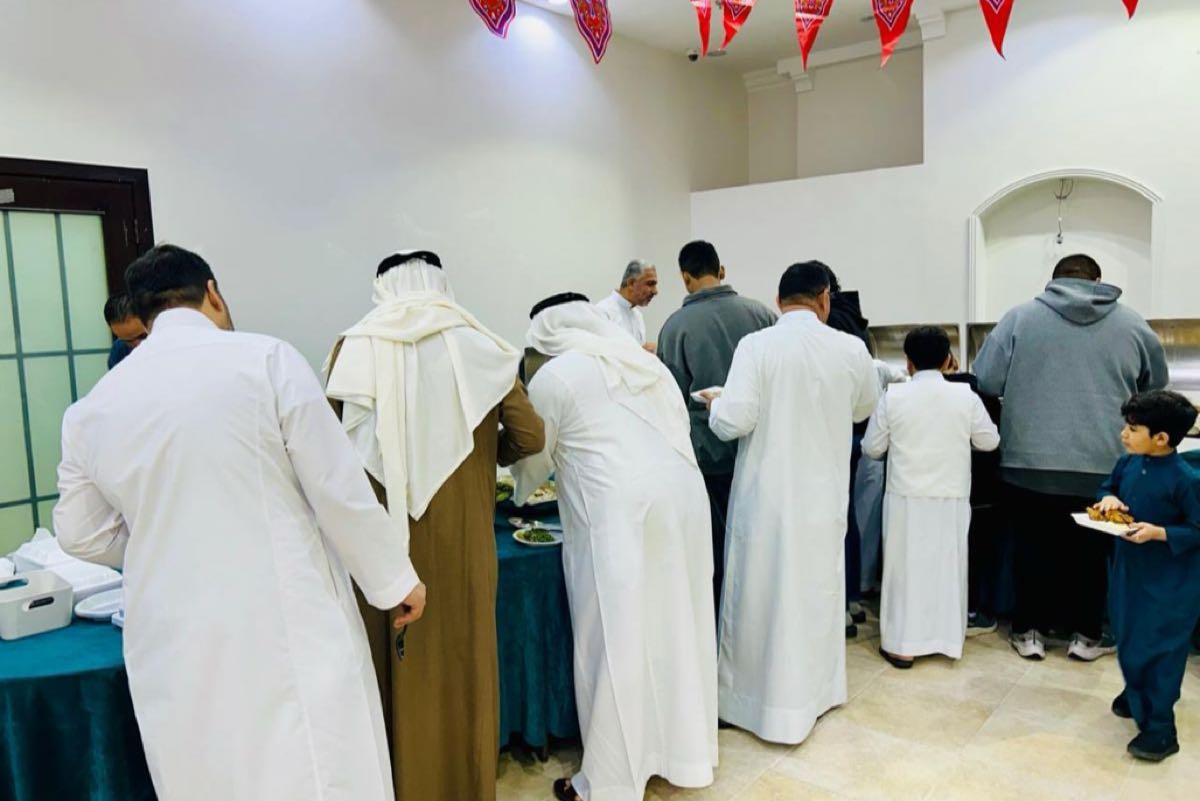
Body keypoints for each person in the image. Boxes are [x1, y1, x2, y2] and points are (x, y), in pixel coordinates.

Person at [54, 244, 426, 801]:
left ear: (144, 314)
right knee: (312, 771)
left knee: (206, 772)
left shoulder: (91, 410)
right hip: (283, 617)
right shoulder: (267, 359)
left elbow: (79, 533)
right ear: (213, 293)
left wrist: (162, 533)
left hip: (171, 634)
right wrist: (394, 582)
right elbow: (337, 488)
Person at [324, 250, 544, 801]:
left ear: (382, 288)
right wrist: (483, 457)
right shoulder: (483, 346)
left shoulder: (353, 348)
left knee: (392, 669)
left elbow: (326, 455)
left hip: (380, 549)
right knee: (466, 665)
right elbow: (531, 437)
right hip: (465, 542)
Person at [512, 293, 717, 801]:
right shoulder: (647, 365)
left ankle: (608, 781)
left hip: (618, 511)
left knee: (614, 636)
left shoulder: (556, 377)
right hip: (684, 502)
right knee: (677, 624)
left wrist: (517, 491)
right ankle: (684, 755)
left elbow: (533, 460)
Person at [703, 262, 878, 745]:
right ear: (824, 298)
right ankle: (815, 695)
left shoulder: (756, 346)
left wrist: (716, 403)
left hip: (768, 501)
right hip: (822, 499)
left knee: (761, 598)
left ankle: (753, 703)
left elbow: (734, 420)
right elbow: (864, 407)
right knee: (816, 597)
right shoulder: (850, 348)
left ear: (779, 301)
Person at [974, 254, 1169, 662]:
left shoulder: (1019, 318)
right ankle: (1087, 637)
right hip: (1103, 466)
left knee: (1031, 551)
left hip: (1028, 464)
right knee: (1092, 557)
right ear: (1098, 281)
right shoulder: (1133, 324)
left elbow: (987, 380)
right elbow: (1156, 389)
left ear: (1054, 281)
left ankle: (1028, 633)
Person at [863, 327, 1000, 668]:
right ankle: (944, 639)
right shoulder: (965, 396)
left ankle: (902, 646)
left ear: (908, 361)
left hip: (906, 496)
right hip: (951, 495)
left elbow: (872, 447)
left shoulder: (894, 396)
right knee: (946, 568)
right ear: (947, 360)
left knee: (904, 572)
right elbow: (989, 441)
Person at [656, 240, 775, 622]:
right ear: (721, 270)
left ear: (685, 277)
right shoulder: (762, 315)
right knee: (761, 545)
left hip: (707, 455)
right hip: (760, 450)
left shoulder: (675, 327)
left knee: (717, 547)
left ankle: (722, 624)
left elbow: (672, 399)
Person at [1098, 391, 1200, 762]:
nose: (1123, 434)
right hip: (1129, 572)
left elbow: (1197, 529)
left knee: (1161, 648)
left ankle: (1160, 727)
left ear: (1161, 438)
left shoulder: (1186, 479)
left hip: (1170, 582)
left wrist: (1160, 533)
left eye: (1133, 429)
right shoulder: (1128, 464)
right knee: (1128, 636)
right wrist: (1108, 499)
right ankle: (1136, 692)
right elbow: (1108, 488)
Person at [818, 262, 872, 636]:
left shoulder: (831, 325)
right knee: (846, 515)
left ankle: (837, 602)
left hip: (833, 434)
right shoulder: (855, 321)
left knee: (830, 518)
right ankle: (851, 597)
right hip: (853, 432)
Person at [595, 259, 658, 349]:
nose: (655, 291)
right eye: (650, 284)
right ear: (631, 283)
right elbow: (599, 351)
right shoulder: (603, 312)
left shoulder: (638, 315)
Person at [103, 292, 148, 368]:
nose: (138, 345)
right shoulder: (118, 352)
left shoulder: (167, 342)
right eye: (128, 341)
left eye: (143, 336)